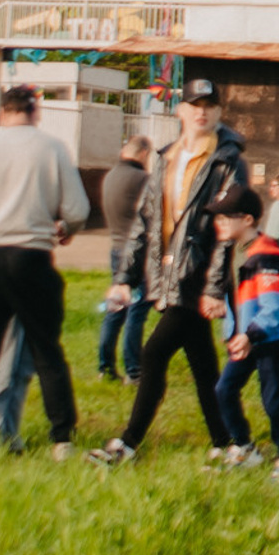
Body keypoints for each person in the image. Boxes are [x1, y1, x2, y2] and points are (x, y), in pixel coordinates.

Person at [94, 81, 248, 465]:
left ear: (218, 112)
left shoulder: (228, 161)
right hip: (165, 273)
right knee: (202, 366)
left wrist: (214, 288)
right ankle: (229, 442)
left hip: (197, 275)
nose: (202, 112)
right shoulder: (165, 157)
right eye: (195, 105)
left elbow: (226, 231)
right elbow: (145, 222)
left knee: (153, 353)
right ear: (180, 110)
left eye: (211, 105)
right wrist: (124, 279)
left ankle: (128, 444)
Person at [0, 83, 88, 456]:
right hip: (30, 254)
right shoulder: (51, 147)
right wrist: (64, 230)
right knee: (46, 350)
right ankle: (61, 438)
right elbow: (77, 209)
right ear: (35, 111)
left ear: (1, 112)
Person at [213, 182, 279, 479]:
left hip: (270, 340)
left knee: (272, 400)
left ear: (248, 220)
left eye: (226, 218)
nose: (220, 223)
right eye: (218, 218)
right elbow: (238, 297)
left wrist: (248, 335)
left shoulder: (268, 257)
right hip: (246, 338)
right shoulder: (236, 250)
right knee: (224, 390)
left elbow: (273, 309)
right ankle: (244, 447)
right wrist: (230, 324)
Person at [97, 136, 154, 382]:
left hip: (116, 248)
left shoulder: (110, 176)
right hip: (137, 253)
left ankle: (105, 366)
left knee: (116, 309)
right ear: (143, 153)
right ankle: (134, 370)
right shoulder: (143, 180)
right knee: (137, 310)